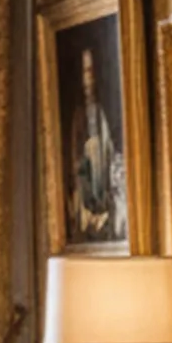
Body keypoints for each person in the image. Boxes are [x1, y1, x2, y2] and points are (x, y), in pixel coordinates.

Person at [66, 47, 121, 244]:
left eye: (90, 72)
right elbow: (77, 164)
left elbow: (111, 151)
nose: (88, 79)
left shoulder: (103, 114)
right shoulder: (79, 118)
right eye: (85, 73)